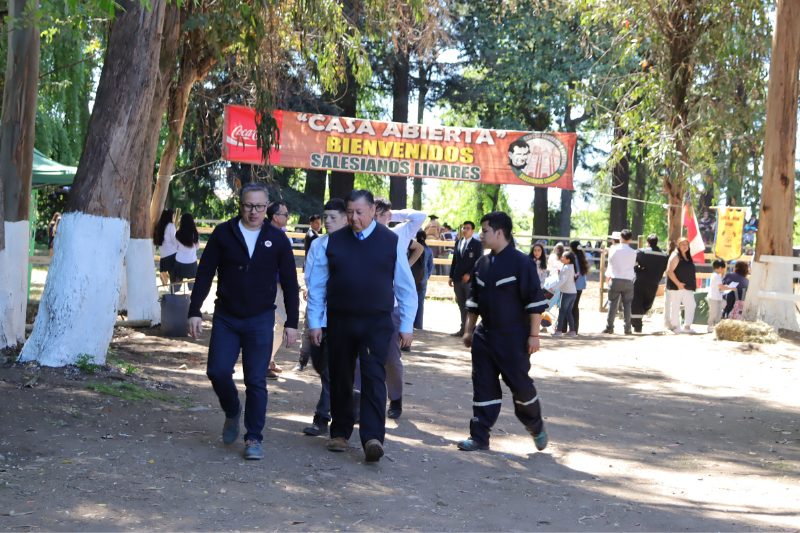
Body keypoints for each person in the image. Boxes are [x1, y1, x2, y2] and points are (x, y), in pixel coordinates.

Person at [188, 181, 299, 460]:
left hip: (261, 319)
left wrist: (292, 323)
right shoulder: (223, 233)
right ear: (239, 205)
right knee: (217, 371)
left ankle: (253, 438)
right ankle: (232, 409)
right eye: (248, 205)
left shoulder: (278, 238)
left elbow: (289, 281)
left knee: (256, 381)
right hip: (226, 316)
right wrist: (194, 310)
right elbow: (204, 273)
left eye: (260, 207)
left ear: (267, 208)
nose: (254, 212)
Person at [307, 190, 417, 463]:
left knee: (372, 377)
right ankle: (340, 432)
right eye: (351, 212)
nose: (355, 218)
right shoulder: (330, 243)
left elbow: (405, 286)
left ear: (371, 211)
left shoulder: (390, 241)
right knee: (341, 377)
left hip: (376, 322)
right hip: (340, 320)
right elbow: (317, 286)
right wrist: (315, 323)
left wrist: (406, 325)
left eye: (360, 212)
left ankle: (372, 438)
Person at [456, 211, 548, 452]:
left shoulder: (521, 262)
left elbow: (534, 303)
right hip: (485, 337)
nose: (480, 235)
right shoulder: (482, 263)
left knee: (520, 385)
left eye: (484, 231)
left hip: (514, 338)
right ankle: (478, 437)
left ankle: (535, 426)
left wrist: (534, 335)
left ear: (499, 233)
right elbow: (474, 301)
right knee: (483, 386)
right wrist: (469, 330)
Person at [301, 198, 360, 437]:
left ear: (346, 219)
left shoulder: (355, 244)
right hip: (318, 315)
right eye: (325, 217)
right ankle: (352, 398)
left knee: (330, 371)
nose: (327, 221)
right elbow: (310, 277)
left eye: (333, 218)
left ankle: (322, 417)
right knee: (319, 363)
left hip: (342, 318)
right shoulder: (318, 244)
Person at [265, 201, 293, 379]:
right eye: (285, 214)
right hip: (273, 286)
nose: (288, 217)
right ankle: (265, 360)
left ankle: (269, 358)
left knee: (279, 322)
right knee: (278, 322)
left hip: (280, 285)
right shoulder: (267, 234)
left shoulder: (280, 235)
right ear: (275, 217)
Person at [449, 221, 483, 337]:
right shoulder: (458, 243)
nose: (465, 230)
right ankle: (463, 328)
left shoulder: (477, 244)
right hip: (457, 279)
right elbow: (455, 261)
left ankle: (471, 329)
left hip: (470, 280)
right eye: (464, 228)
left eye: (468, 228)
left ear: (473, 230)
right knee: (461, 304)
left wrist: (469, 274)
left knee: (471, 305)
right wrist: (451, 276)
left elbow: (479, 262)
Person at [631, 234, 668, 333]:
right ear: (657, 242)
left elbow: (631, 262)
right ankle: (637, 322)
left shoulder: (641, 252)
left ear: (647, 243)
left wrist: (637, 269)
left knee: (636, 302)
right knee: (647, 304)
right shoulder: (664, 255)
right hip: (654, 282)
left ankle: (637, 323)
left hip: (640, 281)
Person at [603, 229, 637, 335]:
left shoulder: (613, 250)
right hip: (628, 280)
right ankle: (627, 328)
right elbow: (633, 265)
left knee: (612, 303)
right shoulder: (633, 252)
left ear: (620, 238)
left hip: (615, 278)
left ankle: (609, 327)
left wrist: (607, 276)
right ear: (630, 240)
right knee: (627, 304)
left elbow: (610, 264)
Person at [666, 237, 697, 334]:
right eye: (683, 244)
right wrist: (678, 283)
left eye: (686, 244)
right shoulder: (675, 255)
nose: (685, 246)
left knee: (691, 305)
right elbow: (669, 271)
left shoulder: (687, 256)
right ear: (678, 245)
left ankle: (687, 327)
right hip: (676, 286)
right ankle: (676, 326)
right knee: (675, 305)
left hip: (687, 286)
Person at [549, 251, 578, 338]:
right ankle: (572, 330)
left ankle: (558, 330)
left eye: (563, 257)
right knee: (568, 311)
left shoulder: (566, 267)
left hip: (567, 292)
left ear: (568, 260)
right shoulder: (572, 267)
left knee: (562, 311)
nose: (561, 258)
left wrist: (553, 287)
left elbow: (563, 280)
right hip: (573, 292)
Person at [565, 241, 590, 335]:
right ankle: (575, 328)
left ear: (571, 248)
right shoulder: (582, 257)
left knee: (569, 306)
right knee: (575, 306)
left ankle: (571, 328)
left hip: (572, 285)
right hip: (580, 285)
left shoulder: (572, 258)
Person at [173, 213, 200, 291]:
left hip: (180, 261)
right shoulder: (195, 233)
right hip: (191, 261)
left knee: (177, 284)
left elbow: (175, 248)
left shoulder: (178, 233)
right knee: (192, 286)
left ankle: (173, 300)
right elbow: (197, 247)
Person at [414, 230, 435, 331]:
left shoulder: (412, 248)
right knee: (420, 301)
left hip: (411, 277)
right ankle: (418, 324)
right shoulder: (428, 250)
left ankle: (409, 322)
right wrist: (427, 276)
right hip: (423, 277)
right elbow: (430, 266)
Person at [153, 209, 177, 289]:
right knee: (174, 278)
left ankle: (166, 293)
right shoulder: (171, 226)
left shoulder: (159, 226)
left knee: (164, 279)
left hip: (163, 255)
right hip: (172, 254)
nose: (174, 217)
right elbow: (174, 240)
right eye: (173, 215)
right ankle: (173, 293)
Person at [708, 259, 732, 332]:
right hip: (714, 297)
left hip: (717, 297)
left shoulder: (716, 275)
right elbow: (721, 287)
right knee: (714, 313)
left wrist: (726, 286)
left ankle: (716, 327)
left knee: (718, 313)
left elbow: (720, 286)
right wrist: (731, 288)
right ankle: (710, 326)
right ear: (721, 268)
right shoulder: (716, 276)